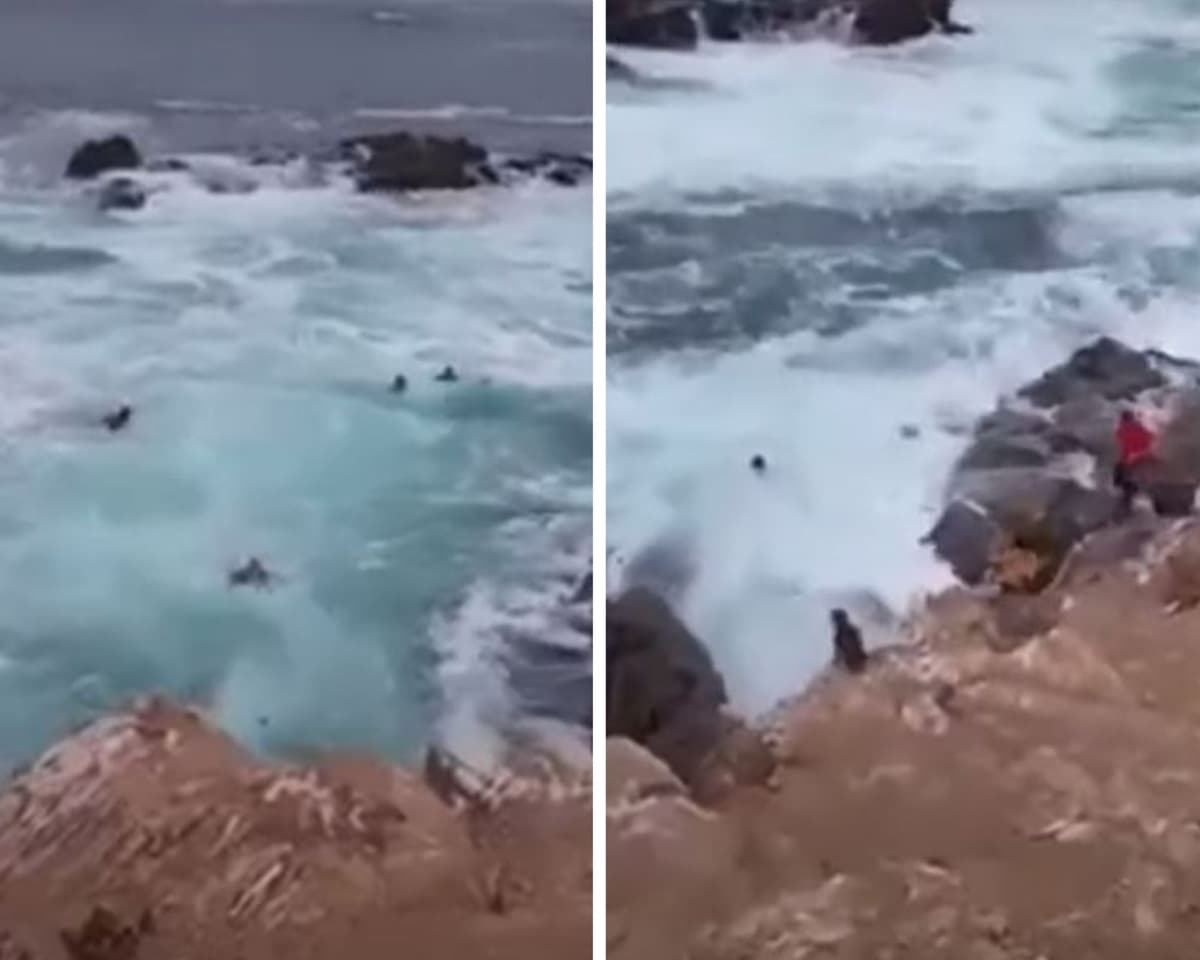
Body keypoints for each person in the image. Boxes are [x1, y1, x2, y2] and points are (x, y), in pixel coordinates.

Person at [1114, 409, 1156, 515]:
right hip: (1144, 458)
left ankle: (1126, 509)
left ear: (1123, 420)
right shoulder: (1140, 428)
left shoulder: (1121, 430)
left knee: (1124, 485)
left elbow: (1119, 441)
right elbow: (1152, 437)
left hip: (1130, 462)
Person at [830, 608, 868, 674]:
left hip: (858, 660)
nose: (837, 623)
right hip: (851, 663)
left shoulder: (852, 630)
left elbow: (859, 644)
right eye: (836, 620)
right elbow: (838, 652)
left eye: (839, 619)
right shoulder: (838, 636)